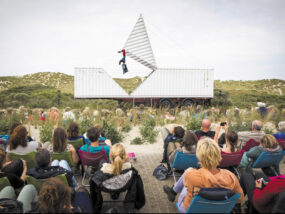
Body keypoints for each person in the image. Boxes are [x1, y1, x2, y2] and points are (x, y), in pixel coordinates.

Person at [163, 138, 244, 213]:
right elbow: (239, 198)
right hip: (218, 210)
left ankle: (173, 191)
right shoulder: (231, 177)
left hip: (191, 209)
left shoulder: (190, 174)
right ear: (218, 155)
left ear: (199, 156)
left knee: (187, 187)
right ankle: (173, 191)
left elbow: (188, 184)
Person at [90, 143, 145, 212]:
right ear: (125, 156)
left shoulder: (102, 171)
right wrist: (128, 162)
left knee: (102, 162)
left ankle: (113, 194)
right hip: (123, 187)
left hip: (106, 187)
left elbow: (94, 183)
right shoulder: (131, 171)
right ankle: (123, 201)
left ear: (110, 156)